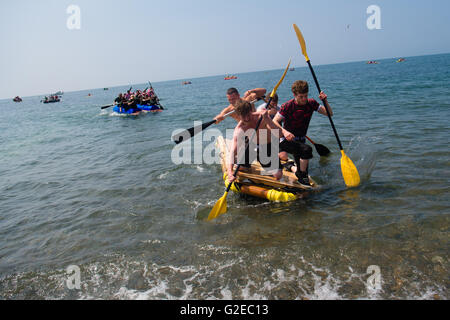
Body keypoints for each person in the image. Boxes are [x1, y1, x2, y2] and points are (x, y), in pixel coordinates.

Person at [273, 80, 333, 187]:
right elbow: (274, 121)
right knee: (307, 150)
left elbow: (329, 114)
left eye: (306, 96)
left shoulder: (311, 103)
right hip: (286, 141)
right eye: (301, 96)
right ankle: (303, 178)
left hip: (301, 141)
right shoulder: (287, 106)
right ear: (294, 95)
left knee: (301, 165)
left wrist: (325, 101)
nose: (304, 99)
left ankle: (291, 167)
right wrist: (284, 131)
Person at [226, 100, 283, 184]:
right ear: (238, 116)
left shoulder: (261, 116)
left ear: (251, 111)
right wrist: (230, 173)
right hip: (250, 146)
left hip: (266, 146)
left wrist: (267, 119)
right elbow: (232, 151)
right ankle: (239, 162)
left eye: (248, 115)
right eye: (243, 116)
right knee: (240, 168)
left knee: (278, 175)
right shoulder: (240, 129)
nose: (247, 119)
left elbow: (279, 135)